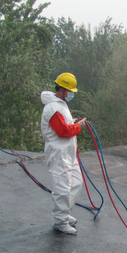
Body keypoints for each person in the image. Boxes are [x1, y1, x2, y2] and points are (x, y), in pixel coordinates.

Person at [40, 72, 87, 235]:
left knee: (76, 182)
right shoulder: (52, 108)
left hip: (68, 153)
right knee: (62, 187)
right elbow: (62, 131)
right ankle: (60, 221)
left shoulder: (61, 104)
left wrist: (73, 123)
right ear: (61, 89)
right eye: (69, 91)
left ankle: (64, 214)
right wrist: (79, 127)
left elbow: (65, 125)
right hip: (58, 154)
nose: (71, 94)